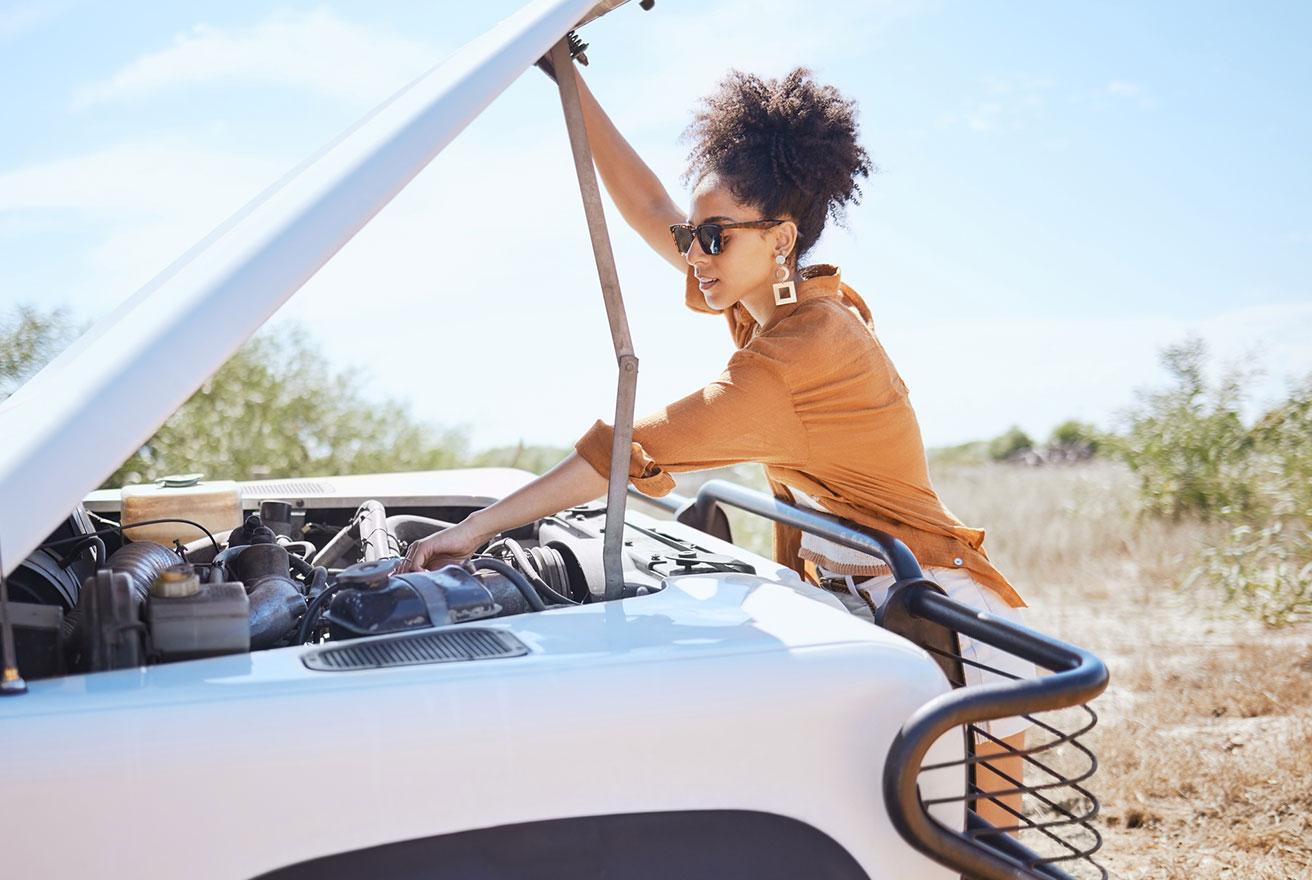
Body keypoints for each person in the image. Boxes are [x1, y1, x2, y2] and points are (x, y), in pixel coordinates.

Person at [399, 62, 1032, 832]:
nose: (695, 255)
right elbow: (647, 207)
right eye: (691, 238)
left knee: (981, 853)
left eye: (712, 238)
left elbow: (627, 452)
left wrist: (474, 529)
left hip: (944, 621)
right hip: (872, 601)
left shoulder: (800, 352)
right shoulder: (773, 304)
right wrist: (568, 77)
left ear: (781, 239)